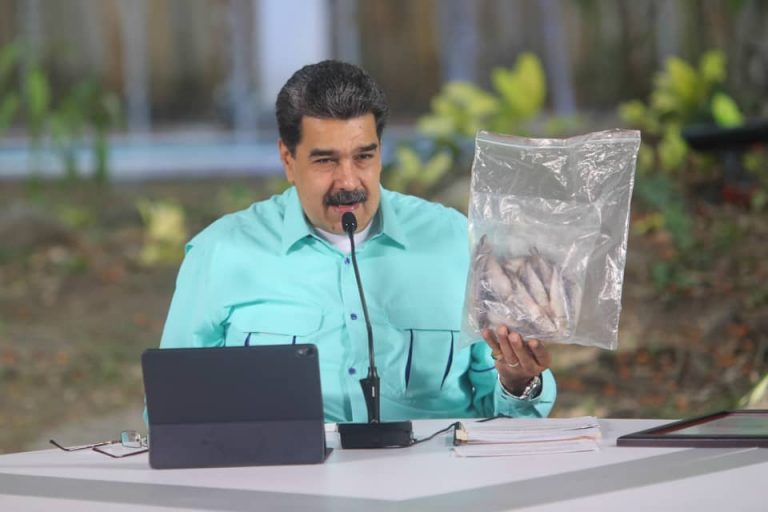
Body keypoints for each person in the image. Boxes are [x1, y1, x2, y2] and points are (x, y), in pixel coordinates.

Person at [158, 60, 556, 421]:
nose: (348, 181)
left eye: (363, 157)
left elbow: (510, 414)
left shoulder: (456, 241)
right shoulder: (220, 252)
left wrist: (518, 381)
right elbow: (173, 406)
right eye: (325, 160)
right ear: (288, 160)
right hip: (284, 473)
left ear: (380, 152)